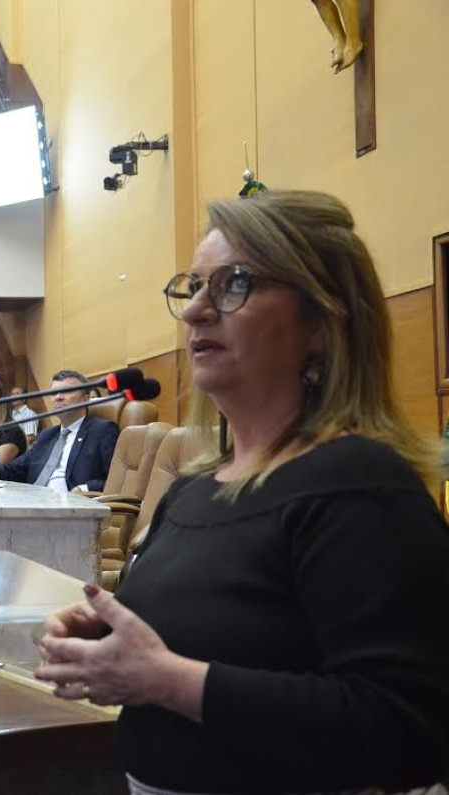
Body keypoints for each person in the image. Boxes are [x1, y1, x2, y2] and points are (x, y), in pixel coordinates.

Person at [36, 190, 449, 791]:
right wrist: (101, 639)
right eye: (193, 288)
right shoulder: (198, 487)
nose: (196, 312)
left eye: (234, 285)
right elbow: (221, 633)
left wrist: (164, 680)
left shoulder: (360, 486)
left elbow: (409, 727)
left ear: (322, 320)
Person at [0, 369, 116, 491]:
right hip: (33, 500)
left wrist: (84, 489)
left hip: (72, 504)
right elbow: (13, 470)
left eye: (66, 391)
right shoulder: (47, 435)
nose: (58, 397)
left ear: (85, 399)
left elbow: (116, 480)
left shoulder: (103, 430)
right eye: (54, 393)